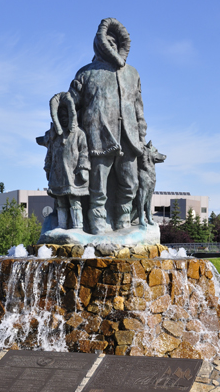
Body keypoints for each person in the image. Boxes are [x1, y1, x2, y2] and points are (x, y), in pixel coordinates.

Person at [50, 18, 148, 234]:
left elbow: (138, 107)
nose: (112, 47)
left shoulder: (133, 74)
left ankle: (123, 220)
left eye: (115, 43)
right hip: (100, 136)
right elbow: (71, 102)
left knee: (130, 182)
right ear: (100, 44)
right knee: (98, 185)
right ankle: (97, 220)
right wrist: (58, 108)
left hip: (128, 137)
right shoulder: (86, 73)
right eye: (108, 42)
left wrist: (141, 133)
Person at [37, 92, 90, 230]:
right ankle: (61, 226)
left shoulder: (79, 134)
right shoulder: (54, 136)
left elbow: (84, 152)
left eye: (66, 116)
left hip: (73, 175)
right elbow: (49, 154)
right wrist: (47, 168)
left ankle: (78, 227)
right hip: (57, 175)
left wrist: (83, 168)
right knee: (60, 201)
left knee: (74, 200)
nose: (64, 119)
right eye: (61, 117)